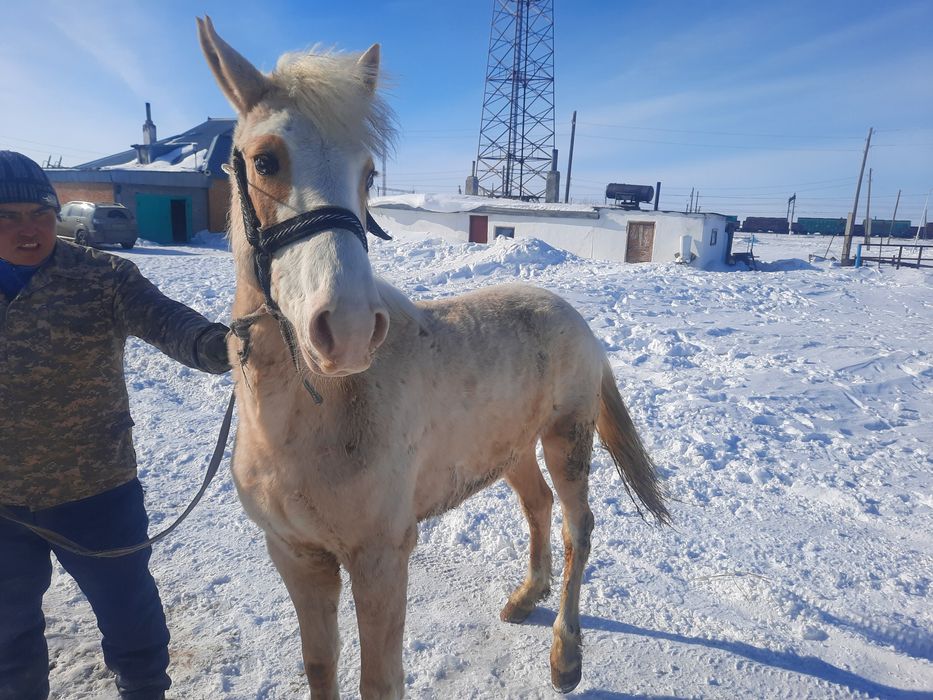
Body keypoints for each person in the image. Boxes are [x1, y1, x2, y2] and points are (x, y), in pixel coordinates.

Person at [0, 151, 231, 700]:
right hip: (3, 506)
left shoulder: (102, 277)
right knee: (8, 641)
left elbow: (168, 320)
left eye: (39, 213)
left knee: (132, 622)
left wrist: (222, 346)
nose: (27, 229)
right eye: (5, 216)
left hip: (98, 494)